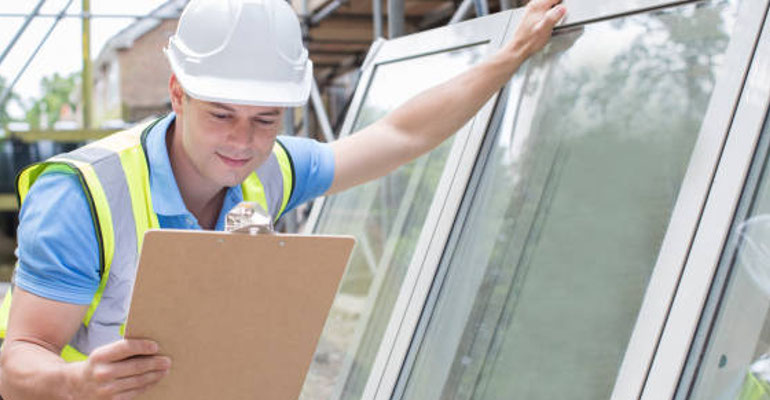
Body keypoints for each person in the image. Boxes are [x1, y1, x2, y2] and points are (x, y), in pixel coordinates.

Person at [0, 0, 565, 398]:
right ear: (178, 94)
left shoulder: (269, 169)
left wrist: (506, 58)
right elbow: (17, 363)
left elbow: (400, 135)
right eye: (222, 115)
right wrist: (77, 385)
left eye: (266, 119)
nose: (243, 143)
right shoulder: (82, 195)